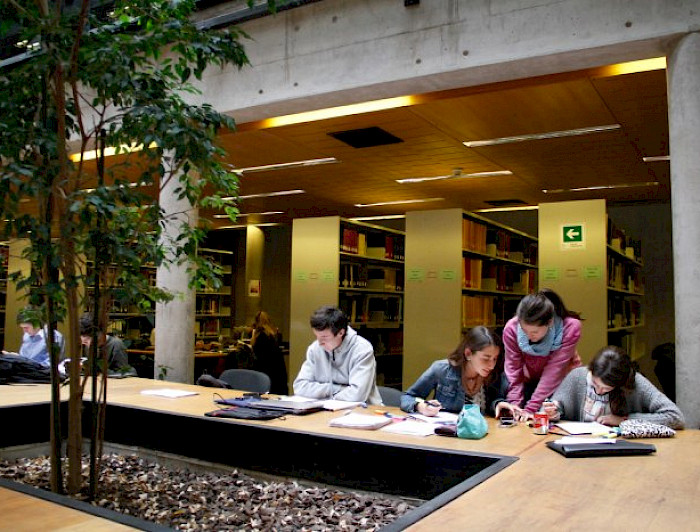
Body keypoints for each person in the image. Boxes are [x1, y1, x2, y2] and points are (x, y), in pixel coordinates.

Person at [544, 345, 684, 429]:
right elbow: (554, 408)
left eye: (605, 388)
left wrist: (624, 420)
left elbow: (675, 417)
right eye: (594, 384)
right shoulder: (577, 376)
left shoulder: (636, 383)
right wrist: (553, 411)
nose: (598, 391)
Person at [503, 288, 582, 417]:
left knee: (552, 419)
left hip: (563, 383)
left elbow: (554, 371)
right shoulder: (512, 328)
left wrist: (531, 409)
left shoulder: (570, 327)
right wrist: (515, 406)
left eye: (534, 332)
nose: (529, 336)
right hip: (531, 380)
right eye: (524, 330)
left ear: (549, 322)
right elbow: (513, 371)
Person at [400, 326, 509, 417]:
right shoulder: (441, 370)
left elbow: (496, 400)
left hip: (481, 435)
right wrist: (421, 406)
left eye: (495, 358)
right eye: (486, 358)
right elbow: (407, 397)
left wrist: (498, 404)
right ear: (468, 354)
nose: (492, 365)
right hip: (447, 435)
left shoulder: (495, 374)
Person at [293, 305, 382, 404]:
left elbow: (357, 395)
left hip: (363, 411)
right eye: (316, 336)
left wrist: (320, 392)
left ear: (341, 333)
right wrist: (335, 389)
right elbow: (299, 387)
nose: (319, 342)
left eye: (324, 337)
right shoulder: (315, 349)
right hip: (325, 409)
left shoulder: (362, 349)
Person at [251, 310, 288, 395]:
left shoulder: (259, 337)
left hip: (267, 375)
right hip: (277, 375)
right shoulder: (270, 335)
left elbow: (259, 358)